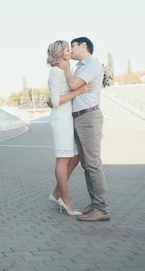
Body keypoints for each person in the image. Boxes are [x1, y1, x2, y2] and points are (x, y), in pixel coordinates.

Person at [57, 37, 110, 222]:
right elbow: (72, 90)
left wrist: (65, 68)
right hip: (79, 117)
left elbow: (73, 85)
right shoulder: (81, 66)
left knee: (93, 163)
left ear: (84, 46)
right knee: (87, 164)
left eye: (73, 46)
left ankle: (101, 208)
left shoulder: (92, 65)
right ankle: (95, 204)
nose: (70, 50)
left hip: (89, 117)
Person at [46, 40, 94, 216]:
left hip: (68, 118)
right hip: (61, 120)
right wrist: (79, 92)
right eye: (67, 49)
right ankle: (66, 201)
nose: (70, 51)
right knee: (63, 159)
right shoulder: (55, 72)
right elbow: (57, 101)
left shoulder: (65, 70)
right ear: (60, 54)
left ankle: (56, 193)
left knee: (74, 158)